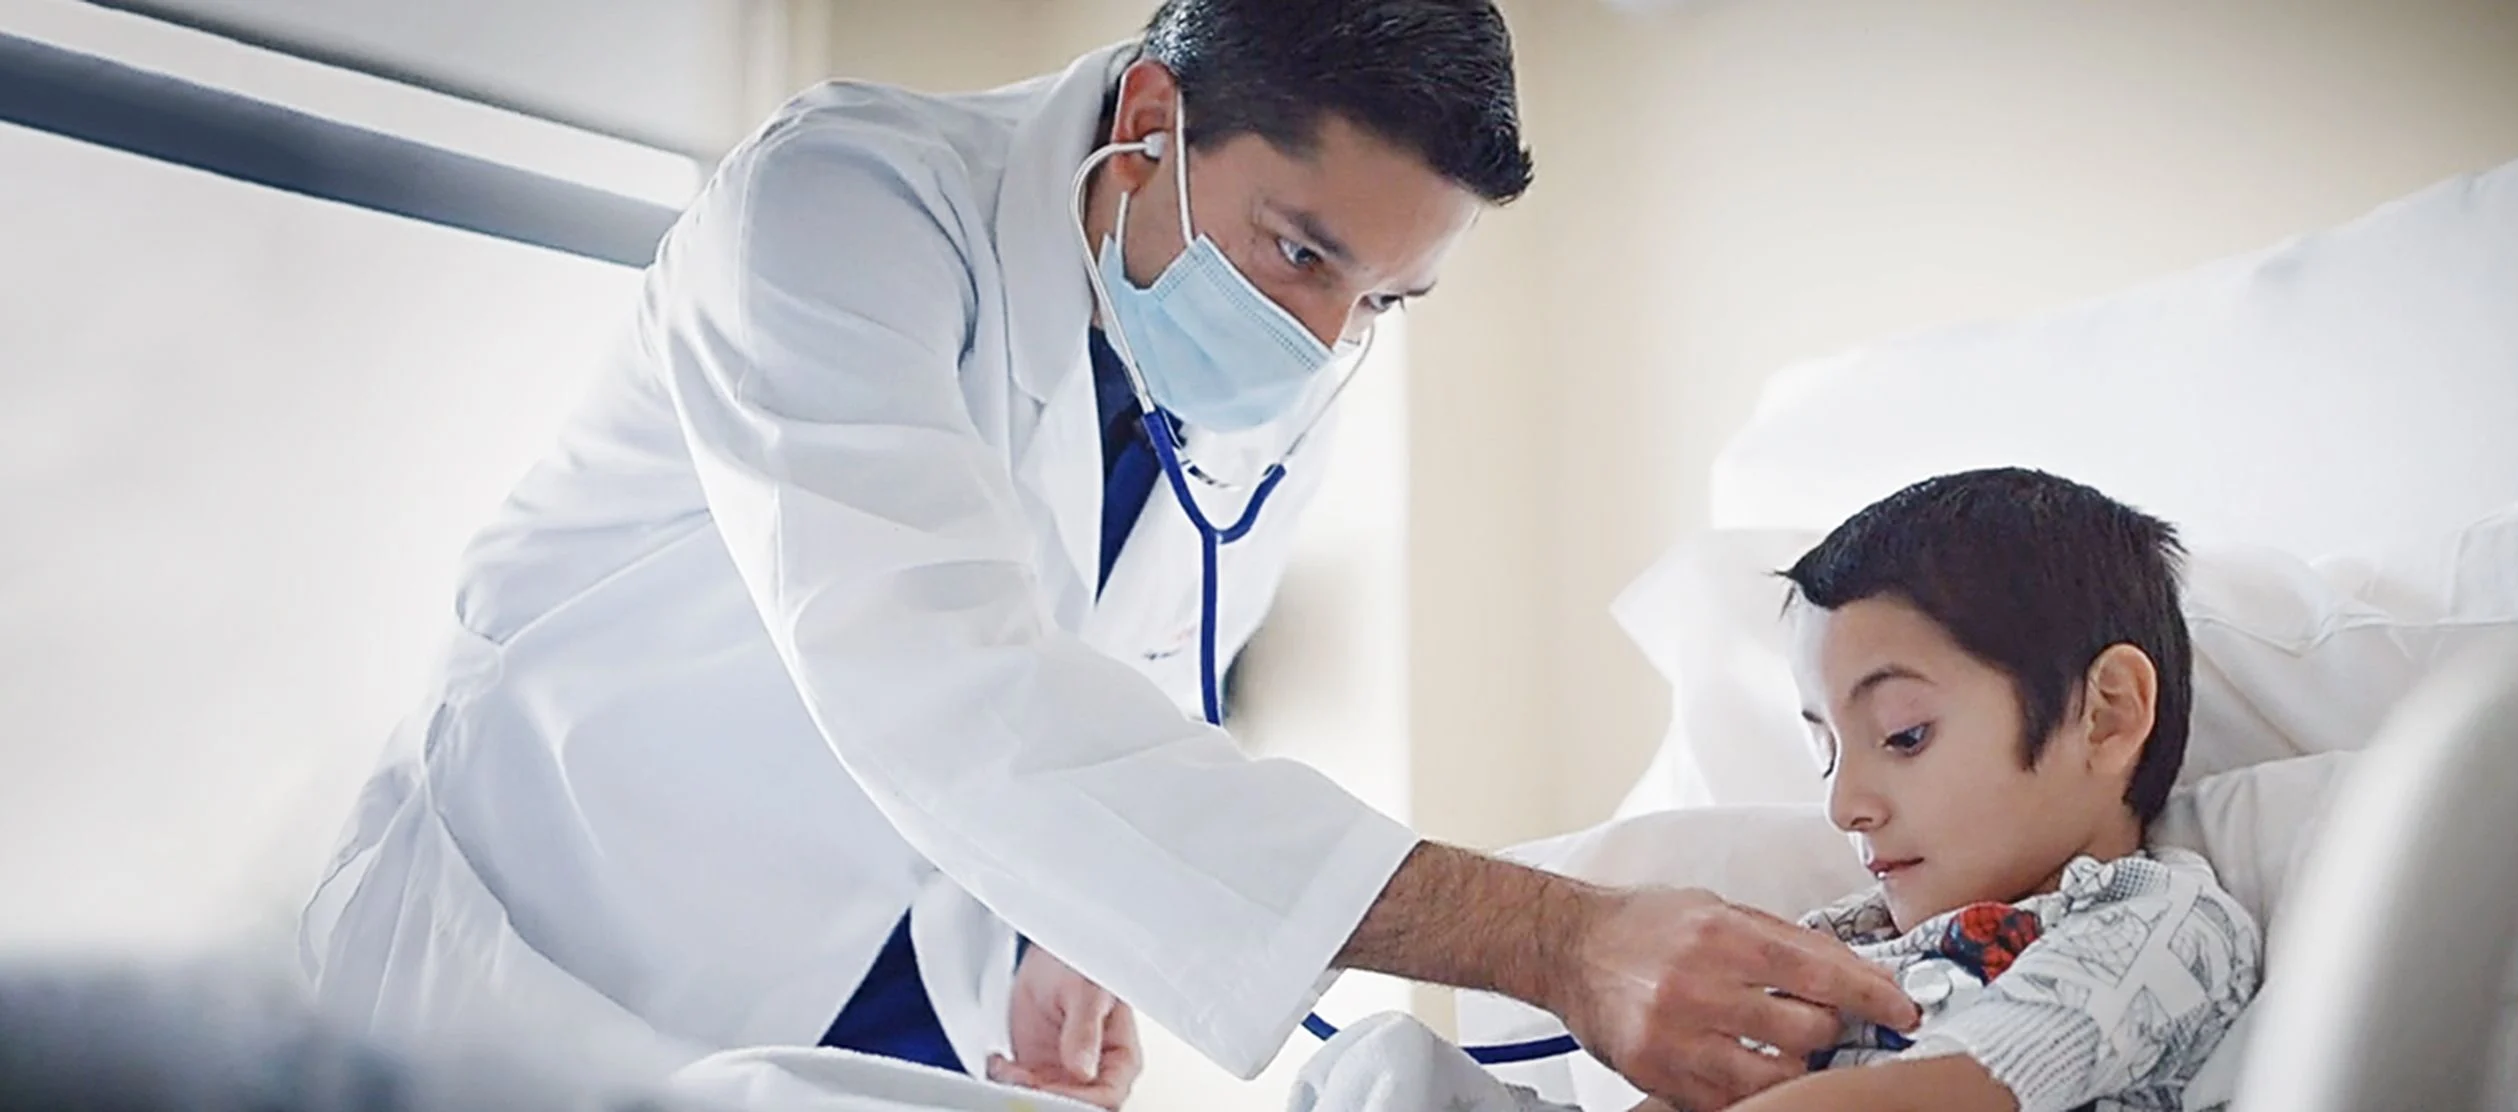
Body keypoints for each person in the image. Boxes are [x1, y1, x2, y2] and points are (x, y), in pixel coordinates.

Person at [297, 2, 1915, 1111]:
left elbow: (1130, 674)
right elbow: (947, 685)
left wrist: (1060, 930)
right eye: (1304, 253)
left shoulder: (1265, 355)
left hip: (894, 1000)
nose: (1327, 340)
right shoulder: (833, 213)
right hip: (549, 955)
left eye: (1384, 300)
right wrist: (1553, 937)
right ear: (1150, 120)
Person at [1291, 468, 2260, 1112]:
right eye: (1826, 751)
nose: (1846, 806)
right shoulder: (1846, 936)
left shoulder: (2163, 923)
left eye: (1904, 735)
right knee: (1390, 1074)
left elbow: (1951, 1090)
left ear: (2107, 714)